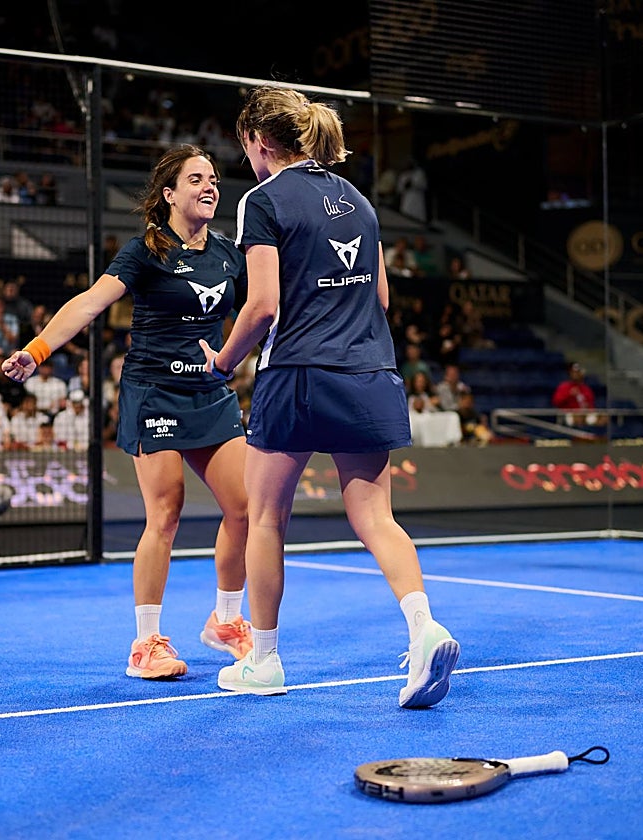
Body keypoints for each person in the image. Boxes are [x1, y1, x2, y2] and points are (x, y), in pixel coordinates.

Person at [197, 86, 459, 705]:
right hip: (371, 372)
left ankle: (263, 661)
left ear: (260, 143)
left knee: (266, 518)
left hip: (296, 374)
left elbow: (262, 306)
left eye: (246, 149)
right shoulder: (360, 202)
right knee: (376, 517)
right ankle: (424, 629)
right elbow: (383, 301)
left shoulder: (262, 200)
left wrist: (224, 361)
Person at [2, 144, 253, 681]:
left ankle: (226, 622)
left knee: (245, 507)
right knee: (166, 513)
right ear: (169, 194)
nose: (210, 186)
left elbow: (262, 309)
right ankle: (146, 643)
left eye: (213, 178)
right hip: (154, 393)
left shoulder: (230, 255)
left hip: (210, 395)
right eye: (195, 180)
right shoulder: (145, 252)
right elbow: (89, 303)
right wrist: (38, 349)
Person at [552, 361, 599, 427]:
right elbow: (556, 402)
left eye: (577, 372)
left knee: (602, 417)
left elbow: (591, 405)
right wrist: (569, 394)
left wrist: (587, 407)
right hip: (568, 414)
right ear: (570, 373)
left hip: (585, 414)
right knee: (578, 417)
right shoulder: (564, 387)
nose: (575, 374)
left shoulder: (586, 389)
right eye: (573, 372)